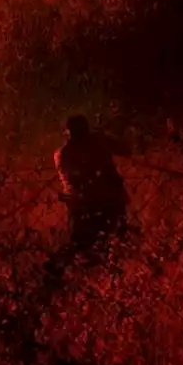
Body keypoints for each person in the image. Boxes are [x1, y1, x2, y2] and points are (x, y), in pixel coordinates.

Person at [44, 115, 131, 289]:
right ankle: (61, 272)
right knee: (91, 243)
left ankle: (109, 281)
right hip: (94, 203)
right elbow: (74, 182)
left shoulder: (67, 152)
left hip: (100, 202)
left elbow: (125, 150)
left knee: (98, 242)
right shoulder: (68, 153)